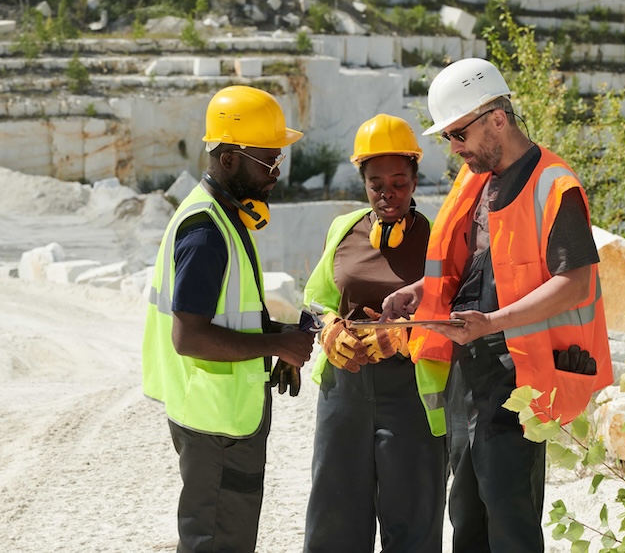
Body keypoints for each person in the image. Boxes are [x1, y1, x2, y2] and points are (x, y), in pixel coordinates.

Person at [381, 57, 613, 552]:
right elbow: (478, 266)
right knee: (467, 513)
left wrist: (492, 323)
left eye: (459, 134)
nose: (455, 147)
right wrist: (418, 292)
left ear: (497, 119)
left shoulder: (554, 184)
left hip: (522, 374)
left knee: (510, 516)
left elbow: (574, 283)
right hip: (473, 368)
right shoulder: (478, 181)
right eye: (448, 137)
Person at [142, 85, 316, 553]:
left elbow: (228, 315)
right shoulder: (205, 231)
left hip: (220, 416)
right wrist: (277, 346)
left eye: (279, 160)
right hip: (214, 422)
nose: (276, 172)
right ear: (228, 158)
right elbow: (190, 336)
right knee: (215, 542)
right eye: (268, 161)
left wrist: (277, 337)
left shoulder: (224, 217)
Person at [302, 114, 447, 553]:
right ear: (362, 181)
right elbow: (316, 297)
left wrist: (406, 336)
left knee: (413, 524)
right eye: (376, 182)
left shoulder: (440, 239)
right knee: (333, 522)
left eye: (399, 182)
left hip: (412, 400)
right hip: (342, 396)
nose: (388, 193)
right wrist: (327, 329)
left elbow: (458, 312)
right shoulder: (342, 230)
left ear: (416, 179)